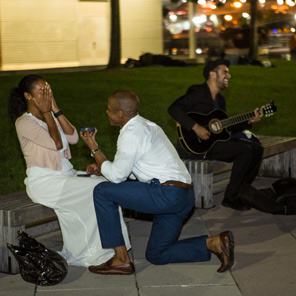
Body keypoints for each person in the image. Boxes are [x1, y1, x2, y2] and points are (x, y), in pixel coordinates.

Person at [80, 90, 234, 275]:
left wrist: (94, 148)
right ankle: (214, 243)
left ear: (120, 113)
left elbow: (117, 176)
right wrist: (103, 169)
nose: (107, 113)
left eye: (109, 110)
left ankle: (120, 259)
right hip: (183, 196)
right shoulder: (149, 126)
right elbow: (133, 170)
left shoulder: (131, 134)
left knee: (102, 192)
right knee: (157, 254)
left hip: (166, 194)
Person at [8, 74, 130, 267]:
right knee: (100, 189)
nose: (46, 94)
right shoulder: (24, 123)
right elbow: (57, 144)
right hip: (46, 182)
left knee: (105, 186)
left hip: (65, 175)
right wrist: (48, 113)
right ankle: (96, 253)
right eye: (41, 91)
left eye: (48, 89)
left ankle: (110, 250)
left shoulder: (50, 117)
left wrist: (55, 110)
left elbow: (72, 138)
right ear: (28, 96)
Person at [168, 59, 263, 211]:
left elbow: (225, 128)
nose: (229, 76)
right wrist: (196, 127)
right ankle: (230, 197)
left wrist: (249, 121)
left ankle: (243, 191)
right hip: (194, 146)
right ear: (212, 74)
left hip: (212, 143)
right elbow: (174, 109)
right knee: (245, 151)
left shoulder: (220, 100)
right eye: (225, 72)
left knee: (257, 149)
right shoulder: (197, 92)